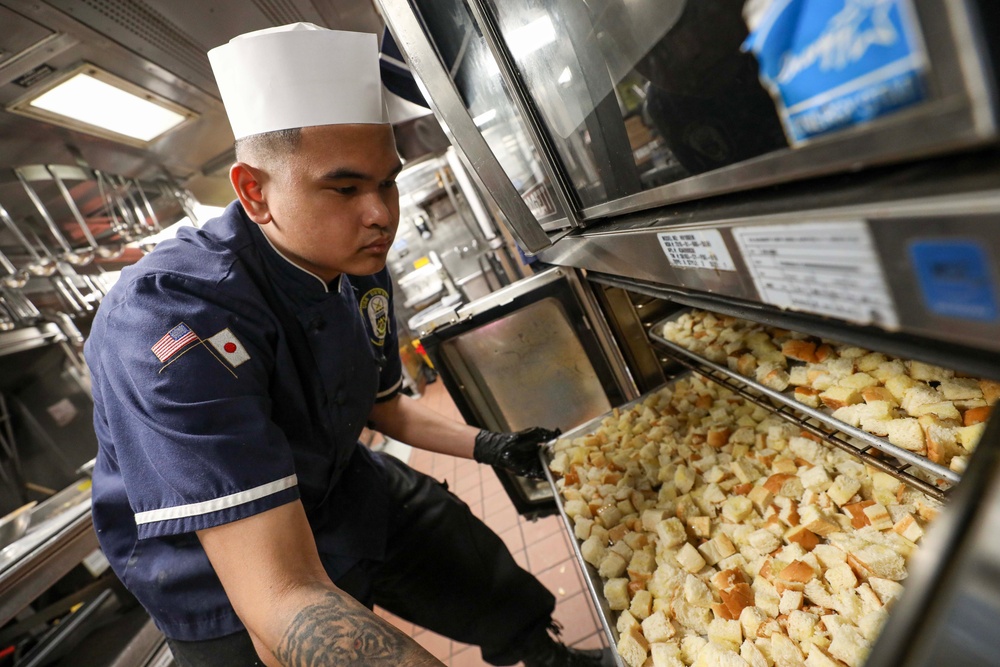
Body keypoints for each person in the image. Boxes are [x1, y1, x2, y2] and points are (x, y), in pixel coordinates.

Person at [84, 23, 609, 667]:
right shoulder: (169, 315)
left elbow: (383, 408)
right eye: (344, 188)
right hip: (222, 570)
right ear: (255, 193)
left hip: (338, 489)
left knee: (472, 566)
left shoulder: (359, 270)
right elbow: (280, 596)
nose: (381, 213)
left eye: (387, 182)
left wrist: (492, 446)